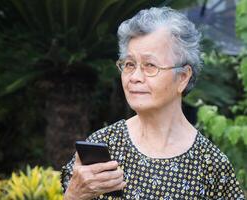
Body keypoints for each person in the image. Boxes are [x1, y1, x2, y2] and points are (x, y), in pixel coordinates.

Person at [61, 7, 245, 200]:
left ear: (182, 77)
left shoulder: (210, 164)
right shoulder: (104, 144)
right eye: (130, 64)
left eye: (150, 65)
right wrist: (74, 195)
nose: (135, 77)